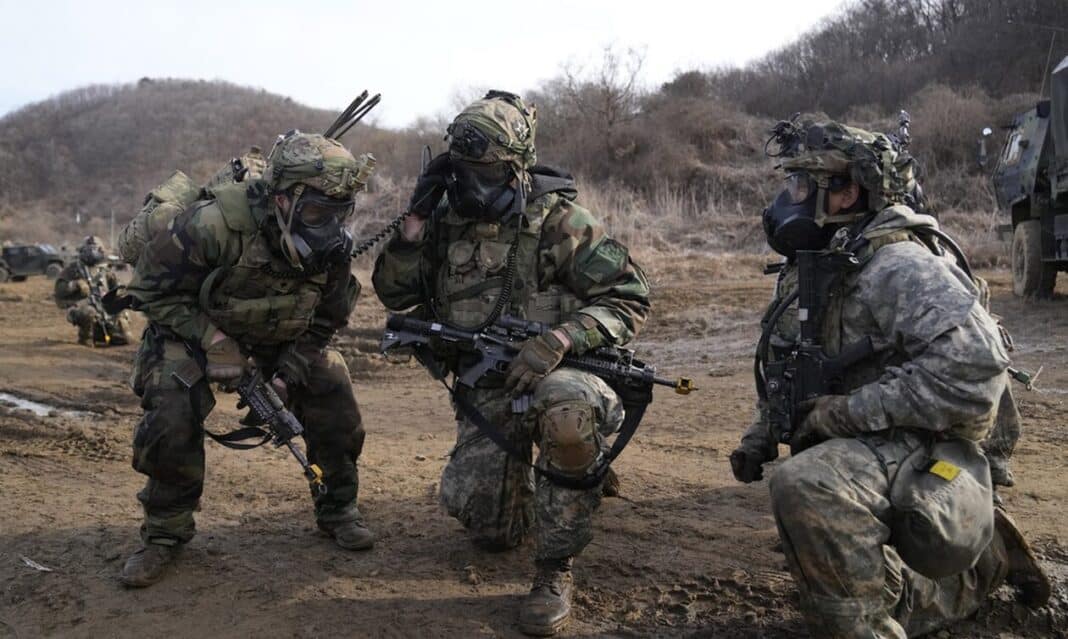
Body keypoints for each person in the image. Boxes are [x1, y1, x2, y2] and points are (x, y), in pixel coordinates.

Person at [729, 118, 1050, 638]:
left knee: (809, 485)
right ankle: (962, 568)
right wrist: (762, 433)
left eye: (802, 185)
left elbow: (975, 370)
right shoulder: (818, 265)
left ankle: (964, 572)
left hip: (927, 439)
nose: (788, 199)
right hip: (875, 433)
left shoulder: (897, 264)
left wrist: (846, 413)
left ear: (847, 192)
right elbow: (789, 363)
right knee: (817, 536)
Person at [372, 91, 650, 636]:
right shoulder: (443, 217)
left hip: (562, 373)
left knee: (566, 414)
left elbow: (630, 296)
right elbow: (395, 294)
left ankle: (555, 567)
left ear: (517, 167)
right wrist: (414, 222)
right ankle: (573, 472)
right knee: (491, 529)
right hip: (490, 384)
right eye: (462, 170)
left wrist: (562, 338)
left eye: (486, 172)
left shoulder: (560, 219)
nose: (473, 184)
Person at [120, 131, 376, 587]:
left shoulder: (332, 248)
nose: (329, 227)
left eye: (340, 213)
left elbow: (328, 318)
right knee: (172, 410)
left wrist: (288, 373)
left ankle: (338, 508)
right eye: (317, 213)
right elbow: (148, 293)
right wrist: (212, 339)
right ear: (282, 200)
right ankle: (164, 533)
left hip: (277, 337)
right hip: (192, 331)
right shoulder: (211, 225)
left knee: (333, 388)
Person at [53, 236, 134, 346]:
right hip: (84, 307)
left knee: (125, 335)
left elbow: (117, 288)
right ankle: (85, 338)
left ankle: (112, 333)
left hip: (104, 307)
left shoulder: (105, 269)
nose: (93, 252)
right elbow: (59, 289)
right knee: (89, 312)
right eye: (89, 249)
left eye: (96, 249)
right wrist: (75, 285)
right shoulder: (74, 268)